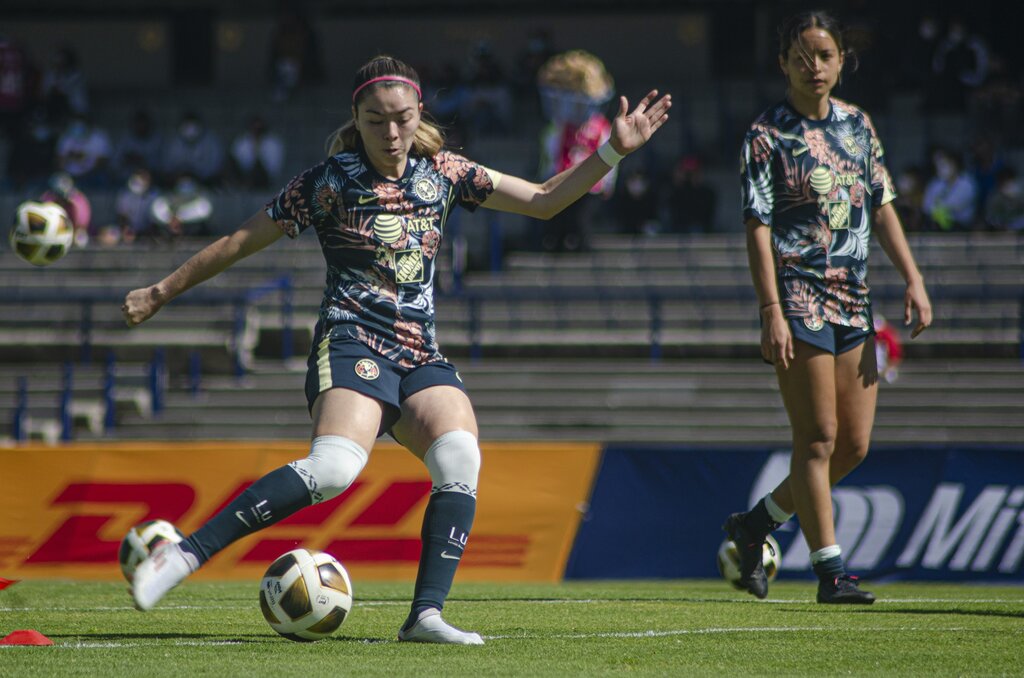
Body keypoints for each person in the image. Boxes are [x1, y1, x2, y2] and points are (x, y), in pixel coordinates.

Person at [121, 55, 670, 644]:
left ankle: (425, 616)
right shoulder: (327, 182)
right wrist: (160, 290)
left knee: (460, 459)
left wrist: (612, 152)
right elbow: (237, 242)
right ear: (355, 118)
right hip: (352, 336)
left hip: (420, 353)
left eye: (402, 118)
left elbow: (542, 198)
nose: (390, 133)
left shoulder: (447, 172)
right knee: (335, 469)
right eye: (375, 119)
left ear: (418, 115)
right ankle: (183, 555)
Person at [729, 11, 932, 605]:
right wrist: (770, 307)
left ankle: (756, 523)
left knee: (854, 445)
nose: (813, 66)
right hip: (798, 296)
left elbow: (883, 204)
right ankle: (830, 571)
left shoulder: (858, 126)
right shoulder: (766, 134)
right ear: (783, 65)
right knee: (817, 436)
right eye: (800, 56)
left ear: (842, 60)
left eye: (823, 55)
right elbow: (757, 225)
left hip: (855, 300)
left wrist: (914, 279)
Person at [922, 146, 977, 231]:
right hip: (937, 226)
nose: (941, 168)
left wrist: (938, 207)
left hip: (961, 227)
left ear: (955, 164)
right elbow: (926, 205)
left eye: (945, 164)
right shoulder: (935, 183)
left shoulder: (967, 183)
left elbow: (954, 205)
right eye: (939, 165)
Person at [229, 114, 286, 189]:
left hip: (265, 178)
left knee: (258, 168)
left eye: (259, 129)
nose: (257, 131)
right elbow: (236, 161)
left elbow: (274, 167)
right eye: (254, 128)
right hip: (244, 176)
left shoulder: (274, 143)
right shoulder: (242, 142)